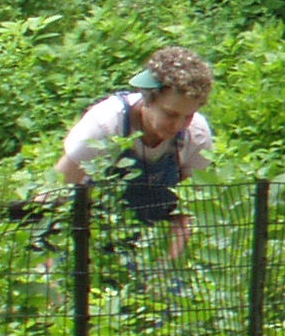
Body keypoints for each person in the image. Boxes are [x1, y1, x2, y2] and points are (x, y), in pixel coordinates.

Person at [56, 46, 216, 260]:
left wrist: (167, 266)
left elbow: (187, 212)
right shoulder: (104, 125)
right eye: (170, 114)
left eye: (188, 116)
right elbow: (55, 194)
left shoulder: (196, 135)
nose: (179, 125)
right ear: (149, 99)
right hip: (89, 249)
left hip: (150, 252)